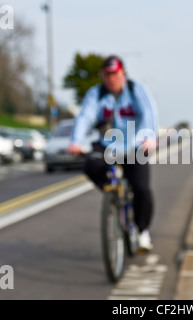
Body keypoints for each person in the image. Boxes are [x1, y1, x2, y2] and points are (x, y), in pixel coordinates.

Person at [67, 55, 159, 252]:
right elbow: (85, 117)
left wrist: (150, 136)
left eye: (114, 74)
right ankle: (114, 195)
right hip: (108, 145)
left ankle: (142, 231)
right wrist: (75, 141)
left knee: (142, 189)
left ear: (122, 73)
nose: (111, 79)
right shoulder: (96, 94)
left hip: (135, 146)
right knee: (90, 165)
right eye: (107, 75)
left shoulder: (136, 90)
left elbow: (149, 113)